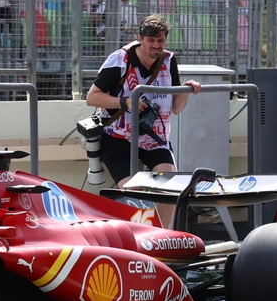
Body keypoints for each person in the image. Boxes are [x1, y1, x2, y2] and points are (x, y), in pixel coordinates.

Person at [84, 14, 203, 190]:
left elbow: (176, 109)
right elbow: (92, 97)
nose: (156, 45)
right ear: (140, 39)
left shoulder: (168, 60)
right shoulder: (120, 59)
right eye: (151, 40)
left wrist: (185, 91)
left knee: (170, 188)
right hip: (118, 136)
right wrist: (126, 102)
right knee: (133, 190)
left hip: (154, 138)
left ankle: (167, 219)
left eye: (160, 40)